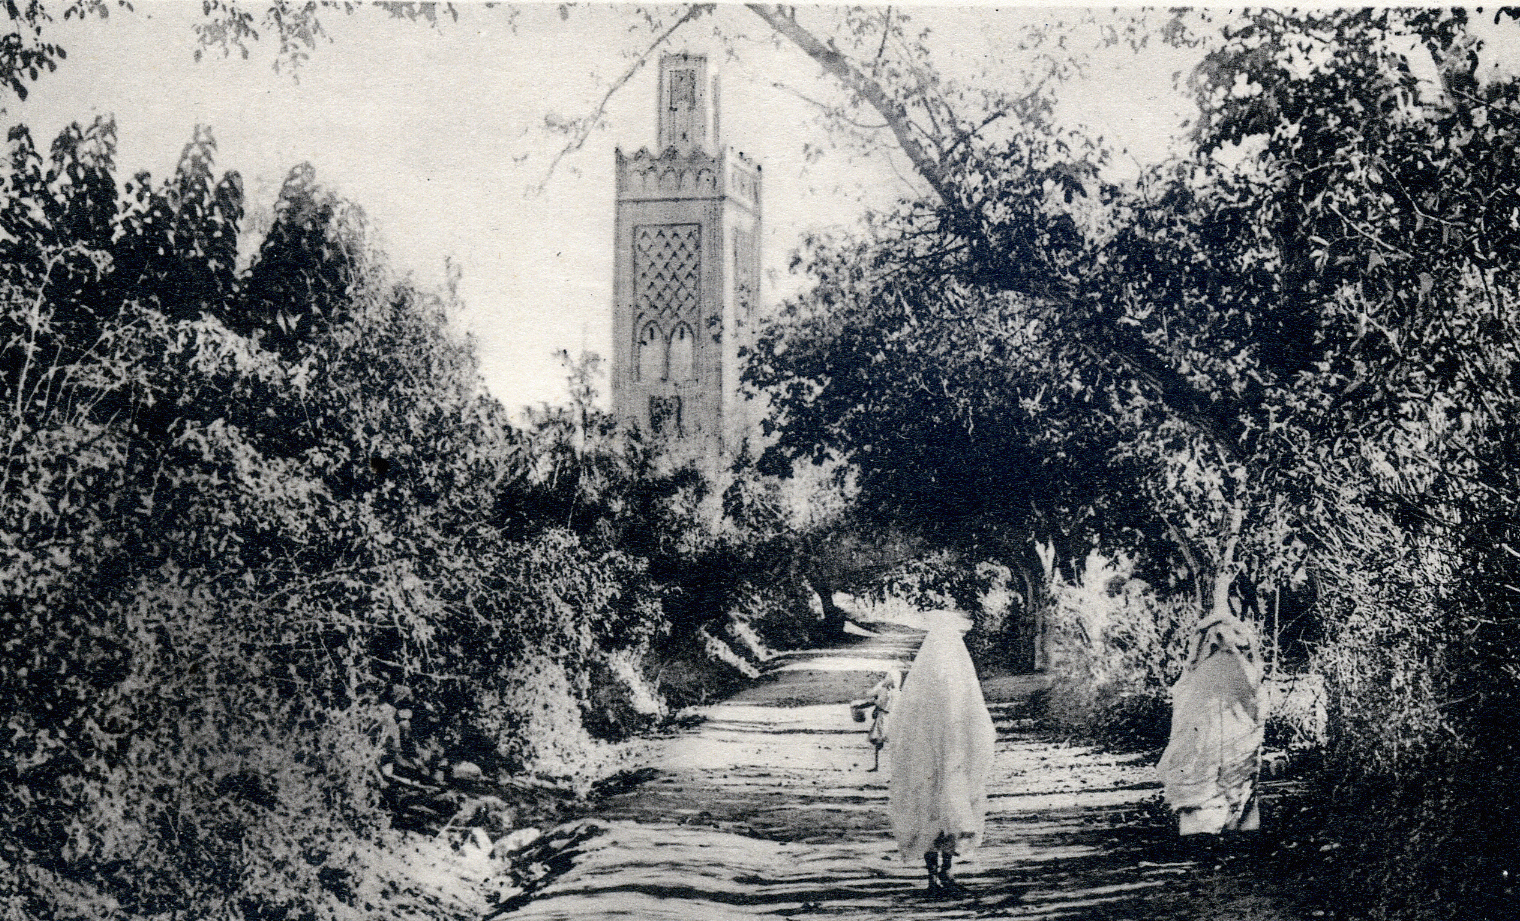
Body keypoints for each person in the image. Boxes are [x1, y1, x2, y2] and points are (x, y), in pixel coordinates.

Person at [889, 623, 996, 894]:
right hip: (949, 763)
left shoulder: (921, 684)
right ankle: (944, 873)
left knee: (929, 813)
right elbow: (978, 724)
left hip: (928, 764)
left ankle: (934, 876)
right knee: (949, 812)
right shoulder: (958, 681)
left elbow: (899, 726)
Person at [1157, 610, 1265, 836]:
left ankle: (1233, 817)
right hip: (1210, 731)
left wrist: (1219, 623)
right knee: (1206, 764)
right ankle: (1211, 819)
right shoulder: (1202, 671)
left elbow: (1255, 697)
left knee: (1232, 764)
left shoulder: (1239, 668)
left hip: (1233, 732)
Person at [862, 670, 900, 772]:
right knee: (890, 741)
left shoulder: (884, 690)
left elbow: (878, 702)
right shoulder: (896, 692)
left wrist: (872, 703)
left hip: (883, 717)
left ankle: (877, 765)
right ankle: (888, 766)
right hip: (892, 717)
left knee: (879, 740)